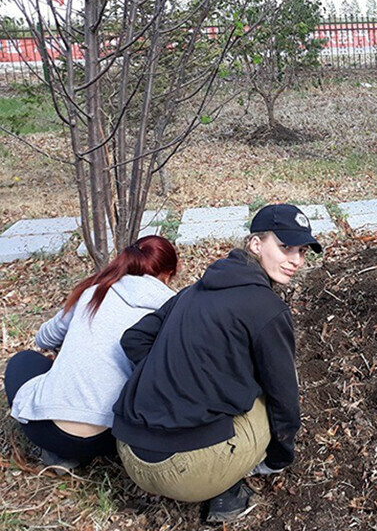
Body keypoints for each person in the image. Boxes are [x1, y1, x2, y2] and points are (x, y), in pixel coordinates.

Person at [112, 204, 319, 523]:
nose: (295, 260)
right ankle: (227, 488)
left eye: (302, 251)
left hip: (130, 452)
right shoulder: (267, 308)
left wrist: (168, 376)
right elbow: (284, 400)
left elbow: (134, 339)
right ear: (255, 244)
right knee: (267, 393)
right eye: (285, 247)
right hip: (187, 474)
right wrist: (278, 459)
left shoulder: (193, 291)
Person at [3, 235, 178, 469]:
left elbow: (44, 338)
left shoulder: (95, 291)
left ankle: (59, 454)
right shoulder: (172, 309)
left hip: (48, 430)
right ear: (168, 274)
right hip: (112, 437)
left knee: (24, 360)